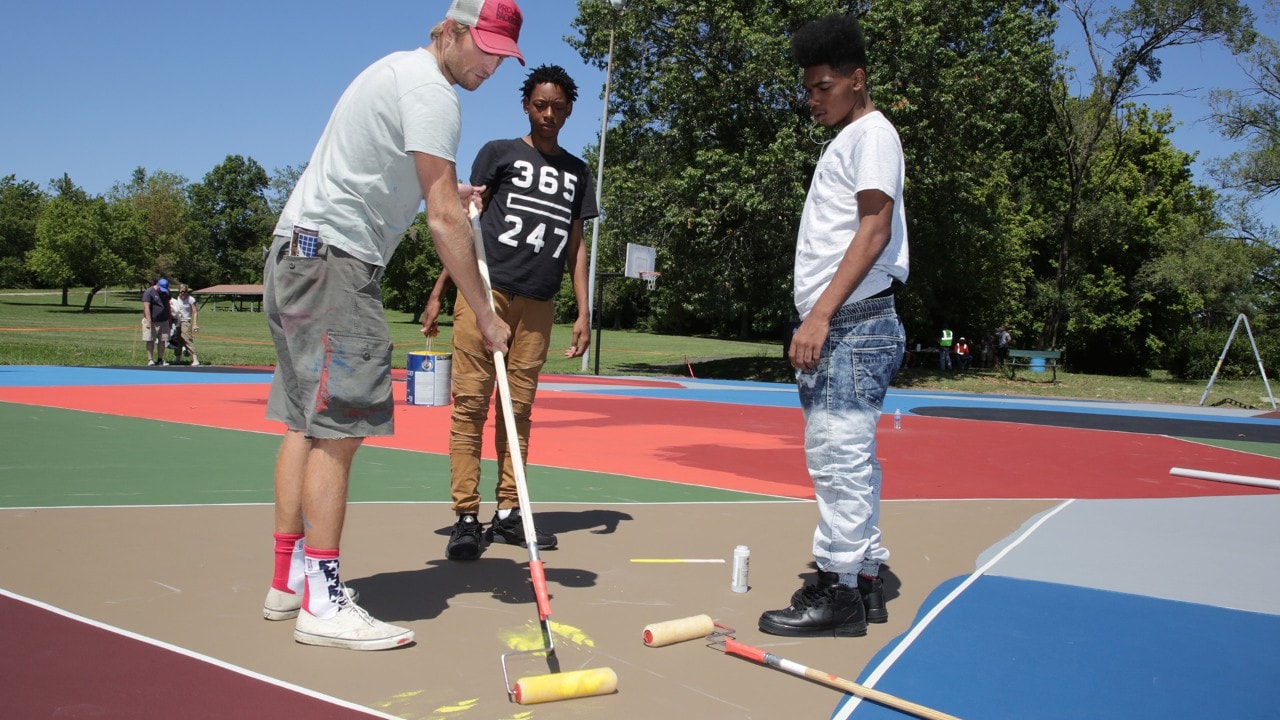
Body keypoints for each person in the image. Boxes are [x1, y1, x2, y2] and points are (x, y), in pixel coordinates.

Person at [260, 0, 522, 652]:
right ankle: (323, 600)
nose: (492, 65)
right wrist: (485, 316)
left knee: (307, 424)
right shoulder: (436, 94)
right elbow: (442, 220)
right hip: (336, 268)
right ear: (454, 31)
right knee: (340, 430)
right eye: (485, 48)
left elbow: (404, 178)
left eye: (502, 54)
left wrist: (448, 192)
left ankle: (287, 580)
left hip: (297, 251)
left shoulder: (398, 72)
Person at [758, 13, 907, 638]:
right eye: (809, 88)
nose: (812, 99)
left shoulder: (873, 134)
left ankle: (839, 592)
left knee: (837, 456)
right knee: (850, 457)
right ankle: (864, 575)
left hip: (852, 322)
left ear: (857, 80)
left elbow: (873, 230)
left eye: (823, 87)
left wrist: (820, 314)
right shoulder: (849, 139)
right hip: (850, 321)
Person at [422, 64, 596, 561]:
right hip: (486, 295)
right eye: (540, 105)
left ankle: (507, 512)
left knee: (518, 412)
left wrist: (583, 311)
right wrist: (440, 291)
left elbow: (576, 246)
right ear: (526, 105)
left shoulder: (578, 172)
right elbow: (464, 224)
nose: (548, 114)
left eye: (558, 107)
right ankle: (465, 517)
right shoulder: (499, 153)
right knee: (472, 405)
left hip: (539, 303)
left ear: (569, 111)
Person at [141, 278, 172, 366]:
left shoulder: (166, 292)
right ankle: (150, 360)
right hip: (152, 320)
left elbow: (168, 305)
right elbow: (146, 307)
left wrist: (169, 319)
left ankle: (160, 359)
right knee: (150, 340)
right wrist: (148, 321)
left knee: (163, 340)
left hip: (164, 320)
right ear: (157, 285)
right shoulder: (149, 292)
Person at [168, 284, 200, 366]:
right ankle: (177, 358)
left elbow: (195, 312)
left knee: (187, 339)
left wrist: (195, 324)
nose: (183, 293)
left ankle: (195, 358)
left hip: (186, 321)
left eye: (184, 291)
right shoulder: (177, 298)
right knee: (177, 340)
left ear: (187, 291)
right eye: (181, 291)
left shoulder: (191, 299)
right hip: (177, 321)